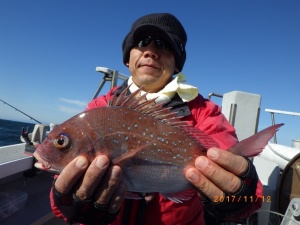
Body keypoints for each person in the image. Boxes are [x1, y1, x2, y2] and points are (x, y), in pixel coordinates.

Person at [50, 13, 263, 225]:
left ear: (177, 64)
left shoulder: (205, 112)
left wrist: (240, 194)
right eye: (142, 42)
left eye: (163, 45)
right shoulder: (99, 109)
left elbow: (251, 196)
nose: (151, 52)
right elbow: (64, 186)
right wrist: (67, 200)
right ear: (127, 58)